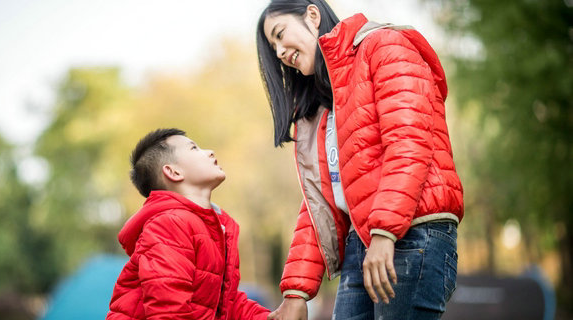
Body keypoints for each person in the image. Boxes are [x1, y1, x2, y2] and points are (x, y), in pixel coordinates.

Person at [255, 1, 464, 319]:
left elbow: (409, 143)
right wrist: (296, 291)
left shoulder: (383, 45)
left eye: (280, 35)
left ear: (312, 15)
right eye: (274, 49)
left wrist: (384, 233)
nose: (281, 52)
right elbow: (320, 200)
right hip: (363, 241)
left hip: (412, 232)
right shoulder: (320, 108)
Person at [106, 128, 270, 320]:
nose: (210, 152)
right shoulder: (169, 225)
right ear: (173, 171)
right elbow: (168, 311)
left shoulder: (213, 229)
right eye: (194, 148)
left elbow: (228, 303)